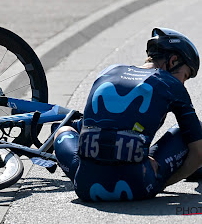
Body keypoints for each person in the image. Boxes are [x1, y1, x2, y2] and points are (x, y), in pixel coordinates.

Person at [53, 27, 202, 201]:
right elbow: (198, 153)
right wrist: (162, 181)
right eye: (186, 75)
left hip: (86, 187)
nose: (183, 83)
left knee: (62, 131)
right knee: (194, 130)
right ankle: (147, 171)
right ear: (173, 61)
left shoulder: (108, 72)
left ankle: (89, 171)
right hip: (138, 186)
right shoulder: (172, 85)